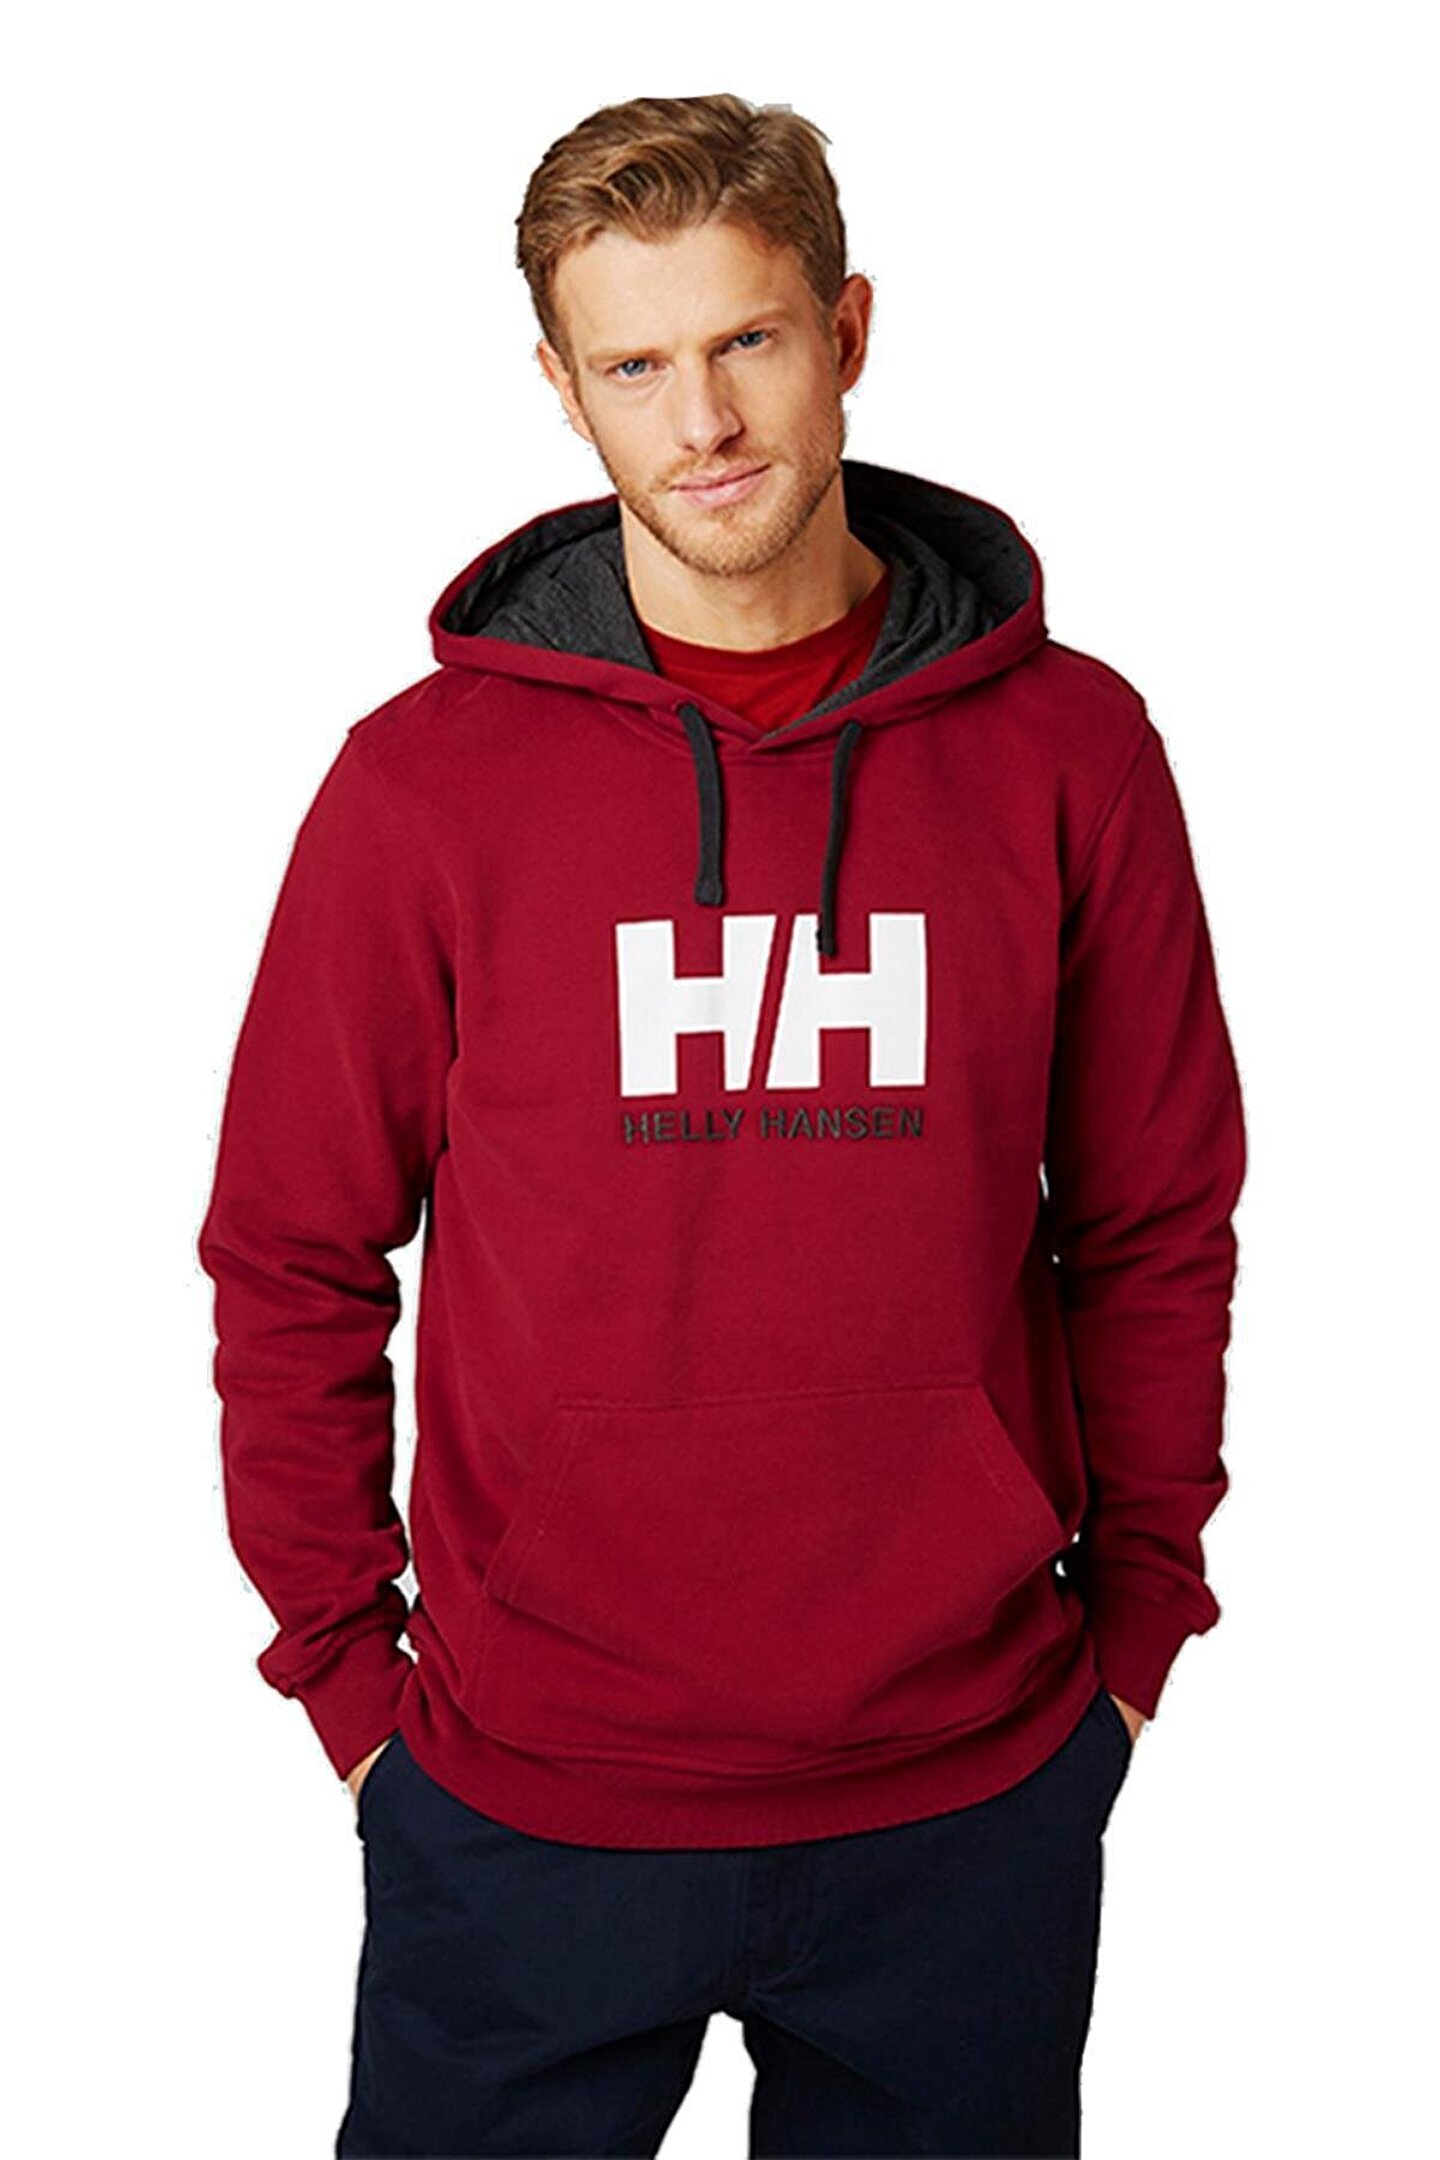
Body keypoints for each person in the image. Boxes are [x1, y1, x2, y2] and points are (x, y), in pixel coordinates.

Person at [197, 90, 1247, 2159]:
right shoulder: (424, 788)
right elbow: (291, 1252)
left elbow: (1153, 1220)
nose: (702, 421)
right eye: (635, 365)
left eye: (748, 339)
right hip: (526, 1795)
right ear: (561, 386)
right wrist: (349, 1690)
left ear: (847, 328)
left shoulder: (1073, 752)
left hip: (967, 1797)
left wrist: (1135, 1630)